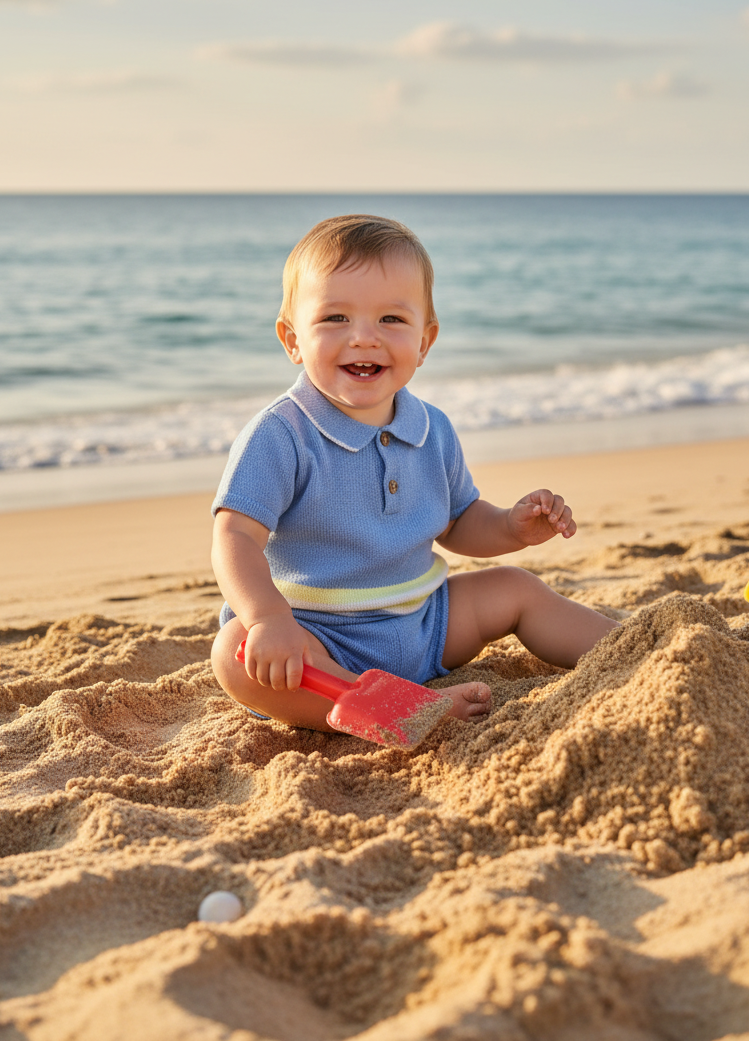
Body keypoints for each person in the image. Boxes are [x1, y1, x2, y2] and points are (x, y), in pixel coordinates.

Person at [210, 214, 614, 731]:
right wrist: (269, 618)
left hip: (426, 622)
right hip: (319, 637)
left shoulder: (431, 428)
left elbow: (458, 521)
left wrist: (510, 528)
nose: (363, 338)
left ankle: (632, 647)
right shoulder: (281, 434)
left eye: (391, 320)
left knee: (517, 588)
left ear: (425, 341)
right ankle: (386, 710)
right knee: (235, 653)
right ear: (292, 339)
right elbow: (234, 535)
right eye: (335, 318)